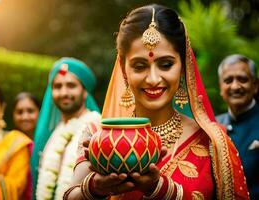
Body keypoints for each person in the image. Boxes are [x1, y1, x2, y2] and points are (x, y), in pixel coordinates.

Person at [64, 4, 250, 200]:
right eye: (139, 66)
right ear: (123, 68)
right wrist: (95, 188)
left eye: (166, 64)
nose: (153, 79)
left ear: (183, 66)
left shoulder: (212, 141)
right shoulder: (98, 136)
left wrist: (160, 189)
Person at [31, 57, 101, 200]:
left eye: (71, 85)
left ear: (85, 91)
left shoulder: (97, 128)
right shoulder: (55, 132)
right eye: (57, 86)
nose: (64, 93)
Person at [216, 54, 259, 199]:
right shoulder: (213, 126)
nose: (235, 86)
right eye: (228, 80)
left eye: (242, 79)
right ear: (221, 88)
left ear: (255, 85)